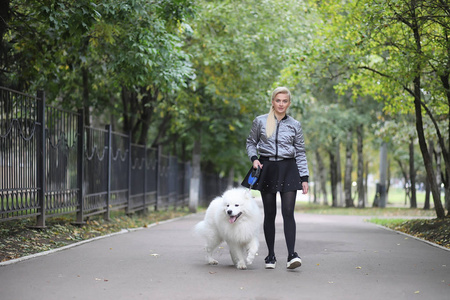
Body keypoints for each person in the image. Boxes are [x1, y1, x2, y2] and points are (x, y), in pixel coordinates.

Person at [241, 86, 309, 270]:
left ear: (289, 103)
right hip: (267, 167)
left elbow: (300, 152)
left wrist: (304, 177)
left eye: (284, 101)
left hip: (288, 168)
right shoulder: (260, 121)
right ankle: (270, 255)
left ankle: (291, 255)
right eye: (278, 100)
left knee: (288, 213)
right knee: (270, 213)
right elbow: (251, 142)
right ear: (272, 101)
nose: (281, 104)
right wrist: (254, 159)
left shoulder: (295, 125)